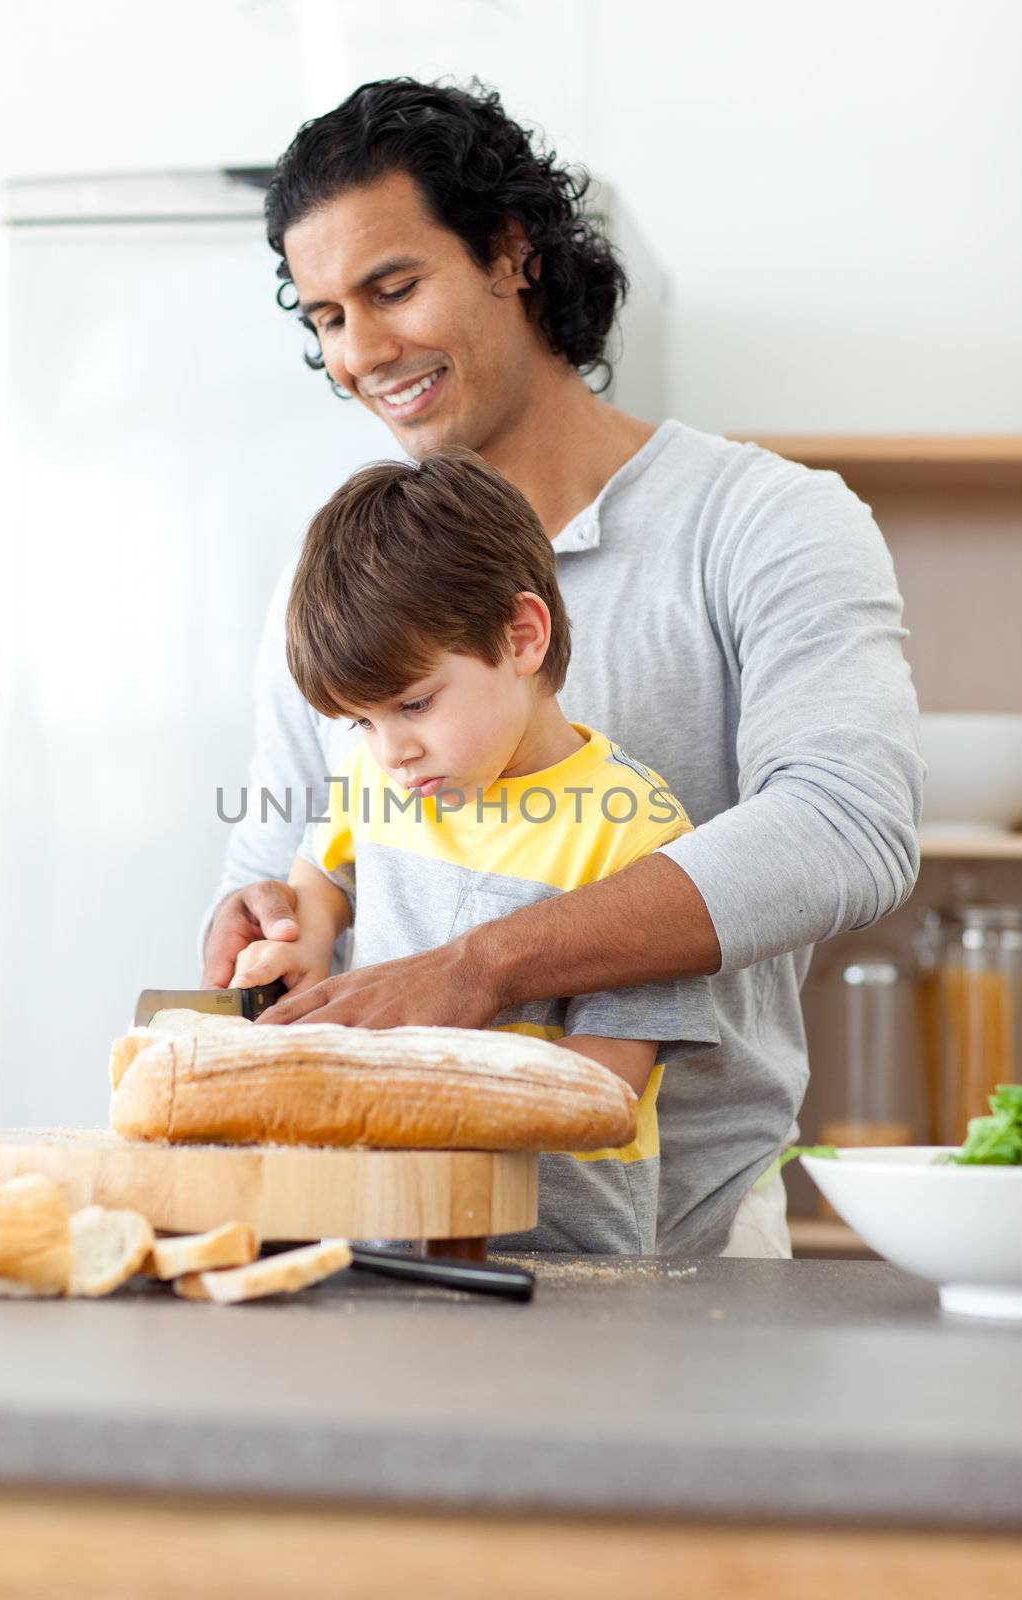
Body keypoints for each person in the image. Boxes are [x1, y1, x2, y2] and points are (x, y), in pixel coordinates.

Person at [200, 79, 923, 1258]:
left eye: (393, 288)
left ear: (510, 252)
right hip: (392, 1230)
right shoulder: (336, 583)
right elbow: (283, 839)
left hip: (676, 1243)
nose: (361, 352)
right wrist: (263, 917)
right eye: (327, 315)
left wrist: (478, 968)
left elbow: (848, 826)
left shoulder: (766, 522)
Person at [231, 446, 720, 1254]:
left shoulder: (635, 830)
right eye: (362, 722)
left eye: (414, 703)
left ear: (522, 636)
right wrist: (301, 944)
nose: (391, 751)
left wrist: (417, 1088)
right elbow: (322, 873)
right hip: (384, 1225)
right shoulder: (381, 778)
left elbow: (610, 1083)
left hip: (559, 1248)